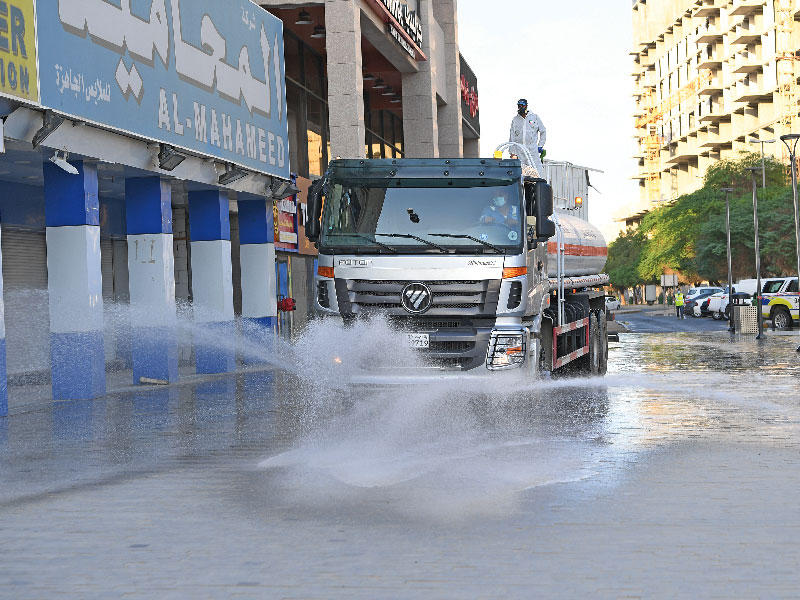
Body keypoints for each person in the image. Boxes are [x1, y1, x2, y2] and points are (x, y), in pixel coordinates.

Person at [508, 99, 547, 175]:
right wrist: (512, 152)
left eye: (522, 105)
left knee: (537, 172)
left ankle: (539, 186)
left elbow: (543, 131)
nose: (520, 107)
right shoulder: (515, 120)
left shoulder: (534, 117)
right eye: (519, 106)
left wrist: (540, 145)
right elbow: (512, 137)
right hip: (519, 151)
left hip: (532, 151)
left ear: (526, 106)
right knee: (521, 173)